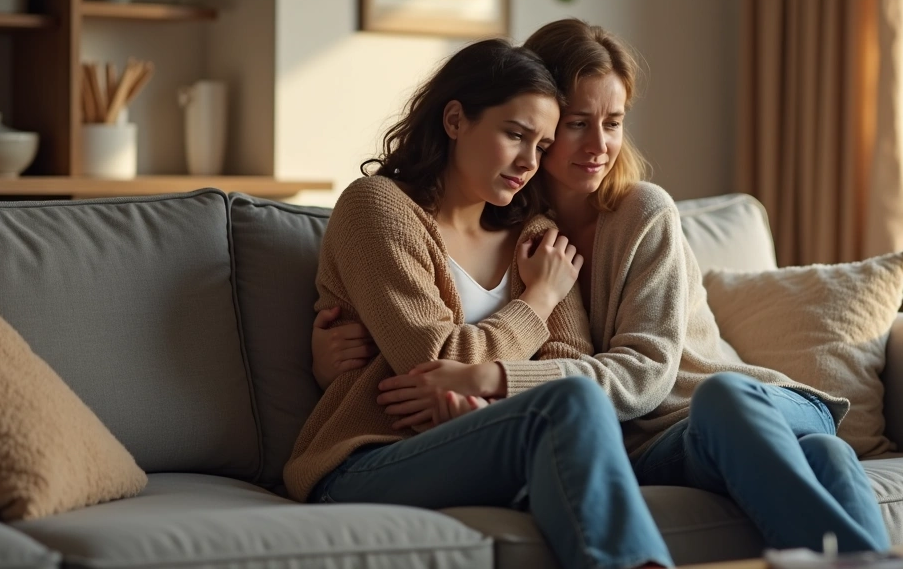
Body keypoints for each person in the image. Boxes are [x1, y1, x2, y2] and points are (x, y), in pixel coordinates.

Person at [313, 20, 891, 554]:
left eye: (612, 123)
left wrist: (487, 377)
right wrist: (532, 305)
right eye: (572, 126)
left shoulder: (605, 220)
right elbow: (441, 360)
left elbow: (599, 365)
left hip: (728, 405)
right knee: (825, 457)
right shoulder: (478, 223)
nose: (597, 146)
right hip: (637, 442)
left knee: (729, 402)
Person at [285, 38, 673, 569]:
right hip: (365, 458)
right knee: (571, 404)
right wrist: (536, 302)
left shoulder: (536, 236)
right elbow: (435, 356)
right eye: (514, 135)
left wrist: (477, 396)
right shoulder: (378, 208)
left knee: (575, 399)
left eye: (541, 146)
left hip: (485, 448)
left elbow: (571, 364)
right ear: (454, 120)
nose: (528, 163)